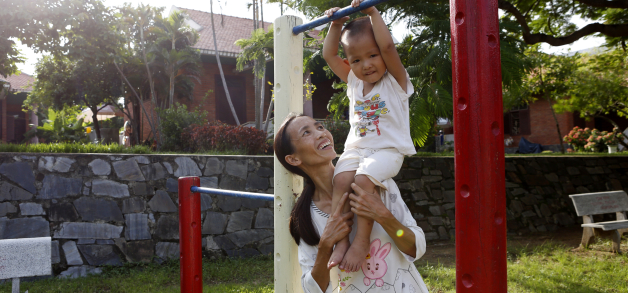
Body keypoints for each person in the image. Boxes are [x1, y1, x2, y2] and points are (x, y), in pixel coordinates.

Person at [275, 114, 428, 293]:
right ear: (293, 159)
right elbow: (313, 289)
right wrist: (326, 245)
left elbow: (416, 247)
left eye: (319, 127)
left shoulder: (373, 181)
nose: (320, 133)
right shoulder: (306, 216)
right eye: (306, 133)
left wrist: (383, 216)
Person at [322, 0, 417, 272]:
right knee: (340, 178)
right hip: (357, 148)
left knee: (363, 180)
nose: (366, 65)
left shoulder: (396, 81)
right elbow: (329, 56)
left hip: (388, 151)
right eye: (356, 59)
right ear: (349, 63)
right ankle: (341, 240)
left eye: (372, 56)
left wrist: (373, 13)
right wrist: (335, 24)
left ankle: (361, 241)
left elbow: (388, 46)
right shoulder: (353, 80)